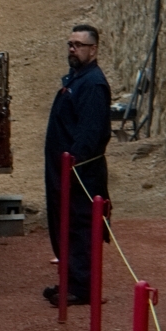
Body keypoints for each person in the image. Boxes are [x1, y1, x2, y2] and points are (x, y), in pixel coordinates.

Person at [44, 24, 111, 306]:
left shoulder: (93, 84)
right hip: (63, 168)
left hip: (80, 172)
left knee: (80, 225)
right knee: (64, 223)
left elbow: (91, 131)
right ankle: (70, 280)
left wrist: (75, 163)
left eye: (79, 45)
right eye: (70, 44)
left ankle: (81, 288)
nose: (72, 49)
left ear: (93, 49)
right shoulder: (77, 78)